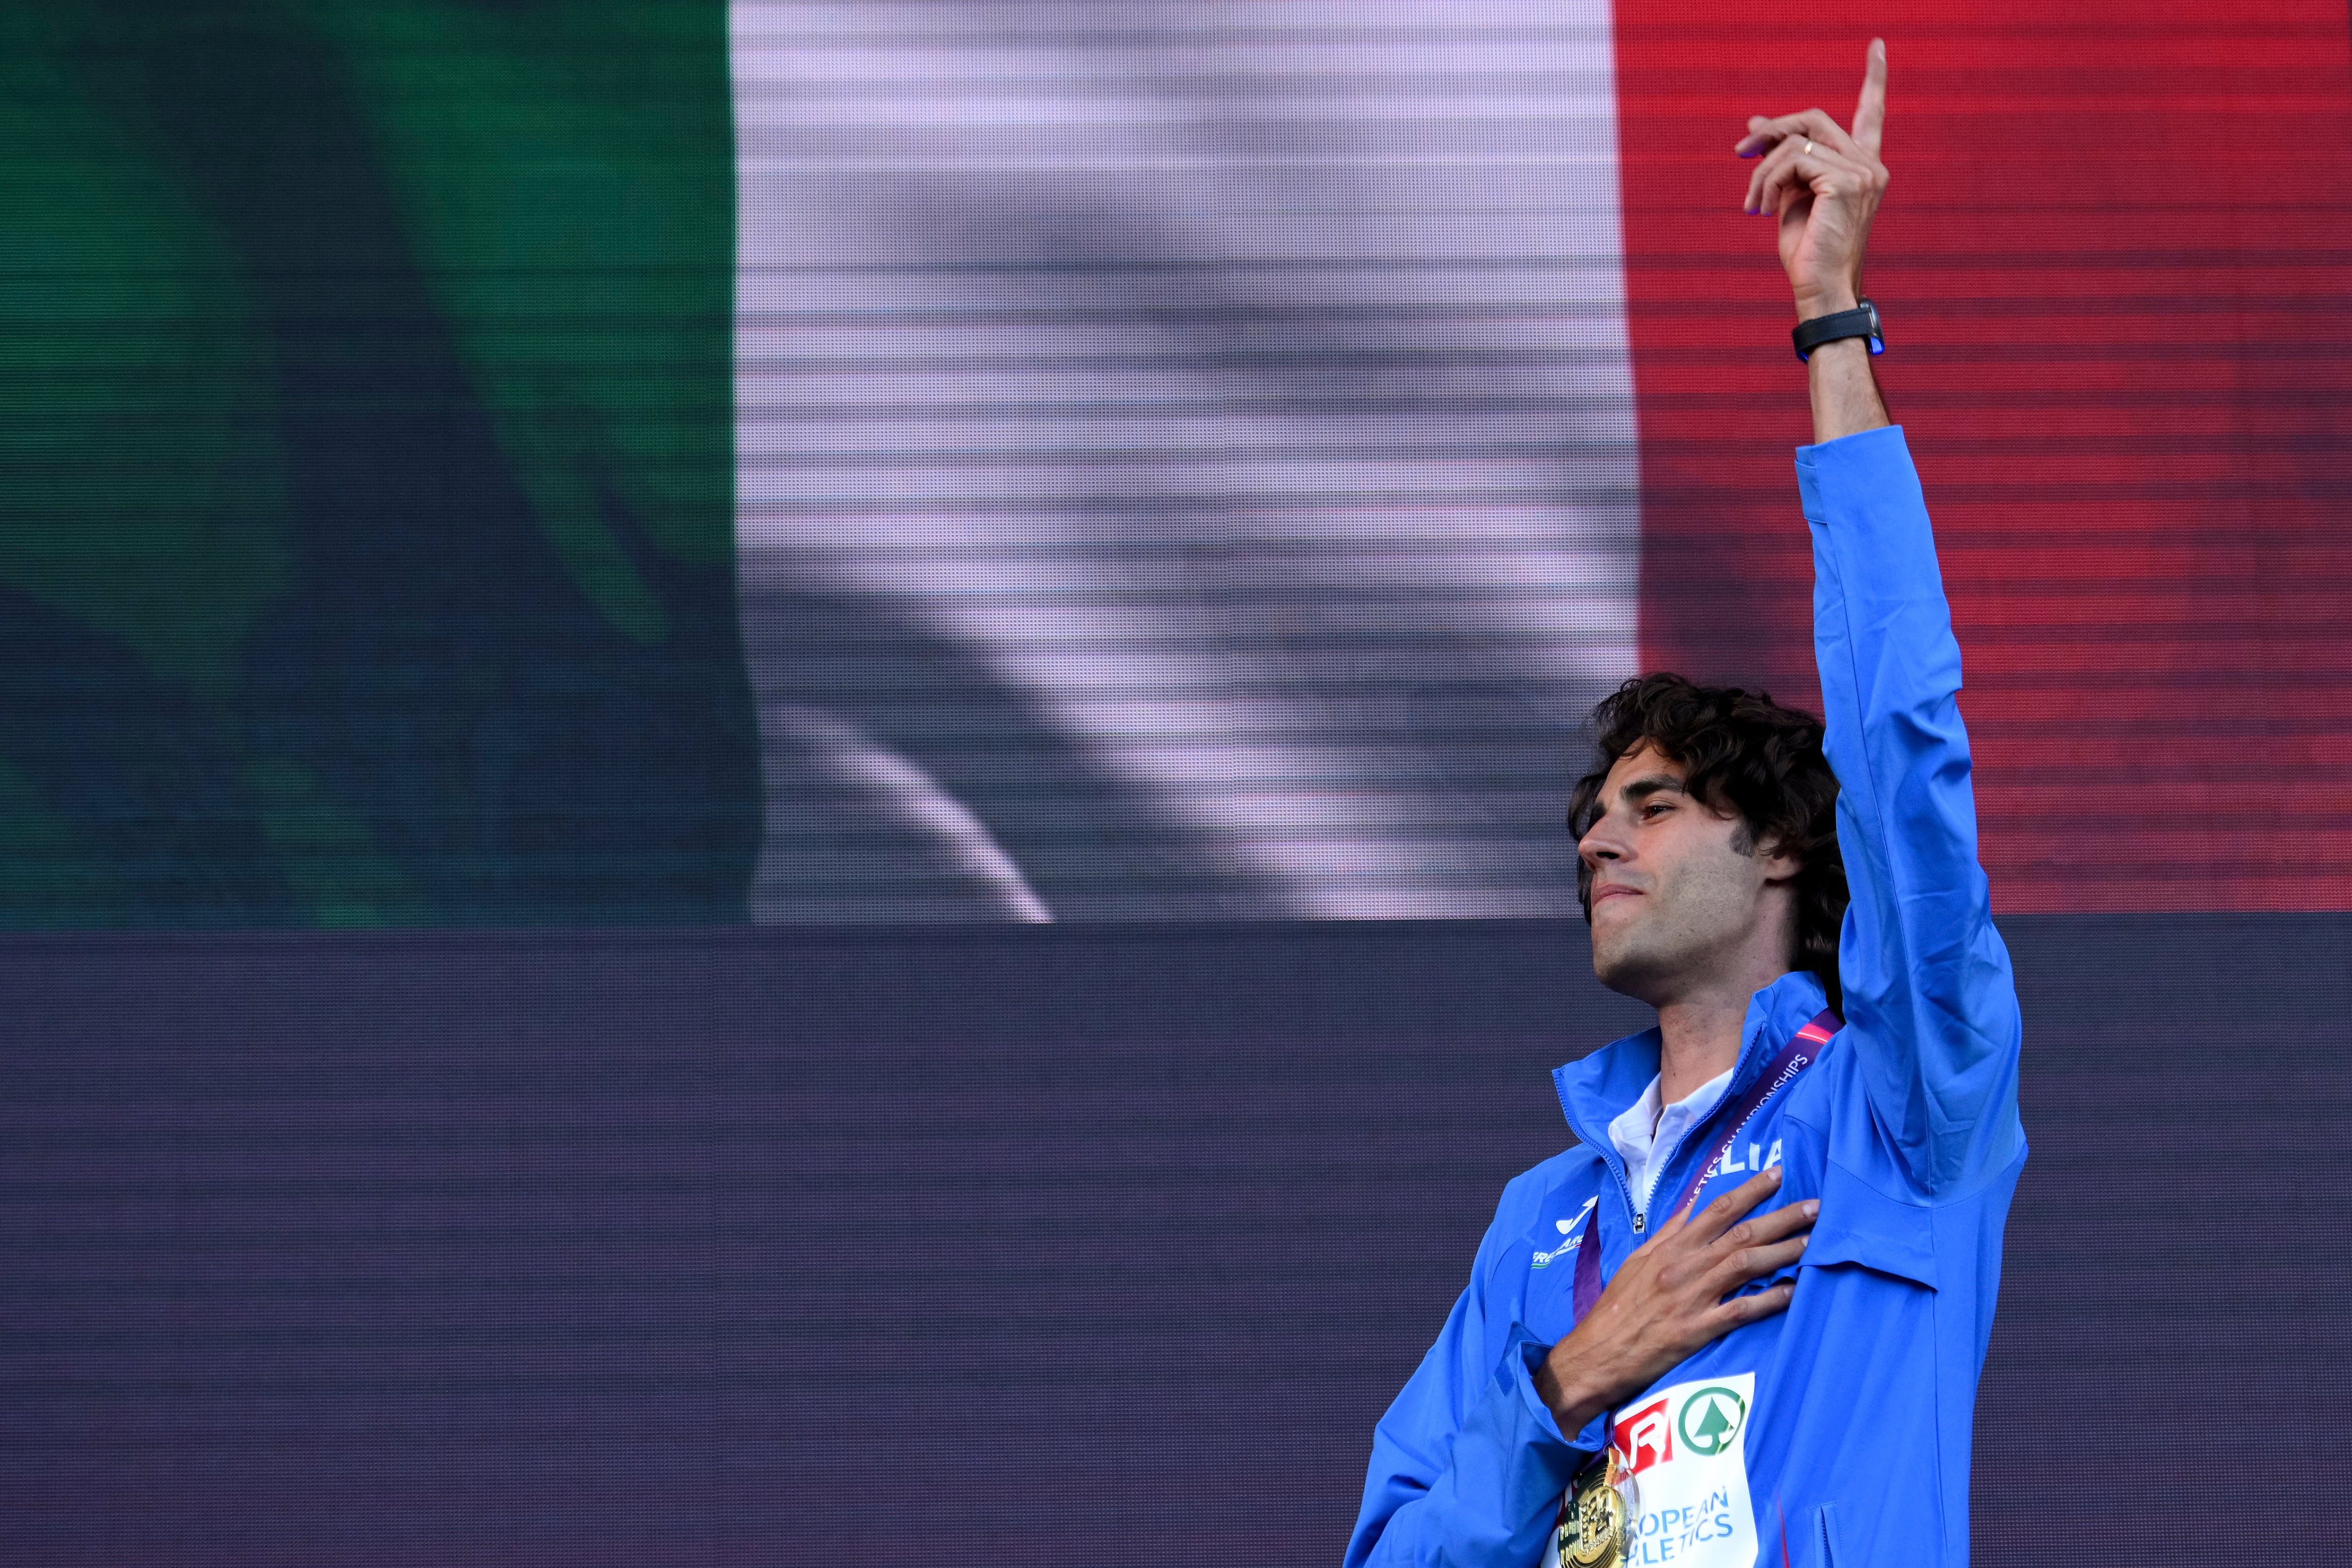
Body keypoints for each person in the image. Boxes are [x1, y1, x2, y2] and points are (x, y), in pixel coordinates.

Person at [1344, 41, 2026, 1568]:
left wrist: (1829, 321)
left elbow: (1905, 750)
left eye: (1651, 806)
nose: (1596, 838)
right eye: (1594, 814)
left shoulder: (1904, 1110)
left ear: (1782, 843)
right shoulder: (1541, 1225)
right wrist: (1572, 1377)